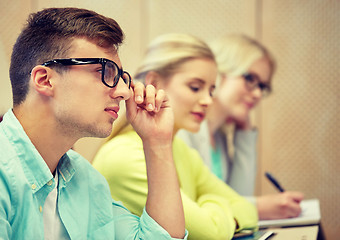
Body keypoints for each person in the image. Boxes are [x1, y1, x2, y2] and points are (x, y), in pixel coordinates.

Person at [0, 7, 187, 239]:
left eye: (121, 77)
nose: (124, 92)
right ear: (45, 80)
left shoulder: (84, 179)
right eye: (104, 71)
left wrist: (157, 142)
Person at [93, 33, 258, 240]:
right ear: (153, 82)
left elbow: (247, 209)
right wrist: (215, 204)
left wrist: (210, 210)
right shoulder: (125, 156)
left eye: (211, 90)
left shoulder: (181, 149)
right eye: (195, 87)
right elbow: (210, 234)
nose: (208, 100)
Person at [178, 34, 304, 220]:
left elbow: (238, 197)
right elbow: (187, 211)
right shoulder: (184, 129)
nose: (257, 94)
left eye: (262, 86)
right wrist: (258, 209)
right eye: (250, 79)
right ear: (219, 72)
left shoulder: (218, 137)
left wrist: (245, 133)